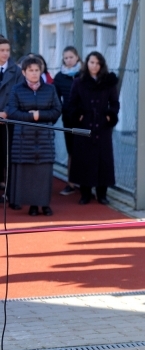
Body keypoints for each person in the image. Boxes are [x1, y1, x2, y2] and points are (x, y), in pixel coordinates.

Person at [6, 56, 61, 216]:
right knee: (29, 173)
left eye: (37, 70)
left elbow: (57, 111)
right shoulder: (17, 89)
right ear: (24, 72)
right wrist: (31, 118)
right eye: (31, 70)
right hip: (24, 138)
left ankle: (45, 204)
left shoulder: (50, 89)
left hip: (45, 138)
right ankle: (33, 205)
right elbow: (12, 112)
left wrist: (39, 115)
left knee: (43, 172)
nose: (34, 73)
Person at [67, 52, 120, 205]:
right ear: (87, 63)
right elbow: (72, 103)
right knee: (85, 159)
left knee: (103, 159)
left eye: (97, 63)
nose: (94, 66)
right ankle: (85, 193)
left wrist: (110, 115)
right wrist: (79, 115)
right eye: (92, 62)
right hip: (85, 125)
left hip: (102, 126)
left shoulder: (109, 82)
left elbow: (115, 103)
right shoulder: (79, 81)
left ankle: (102, 194)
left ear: (101, 65)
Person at [53, 46, 82, 196]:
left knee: (85, 151)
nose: (69, 60)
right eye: (66, 58)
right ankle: (71, 183)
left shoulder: (84, 74)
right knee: (71, 151)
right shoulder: (59, 77)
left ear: (77, 57)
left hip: (85, 119)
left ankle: (85, 184)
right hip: (68, 119)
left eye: (71, 57)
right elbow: (56, 99)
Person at [0, 37, 24, 188]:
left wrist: (6, 113)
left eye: (7, 50)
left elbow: (18, 95)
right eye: (2, 50)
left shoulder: (17, 71)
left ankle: (8, 187)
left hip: (8, 120)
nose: (5, 53)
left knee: (7, 154)